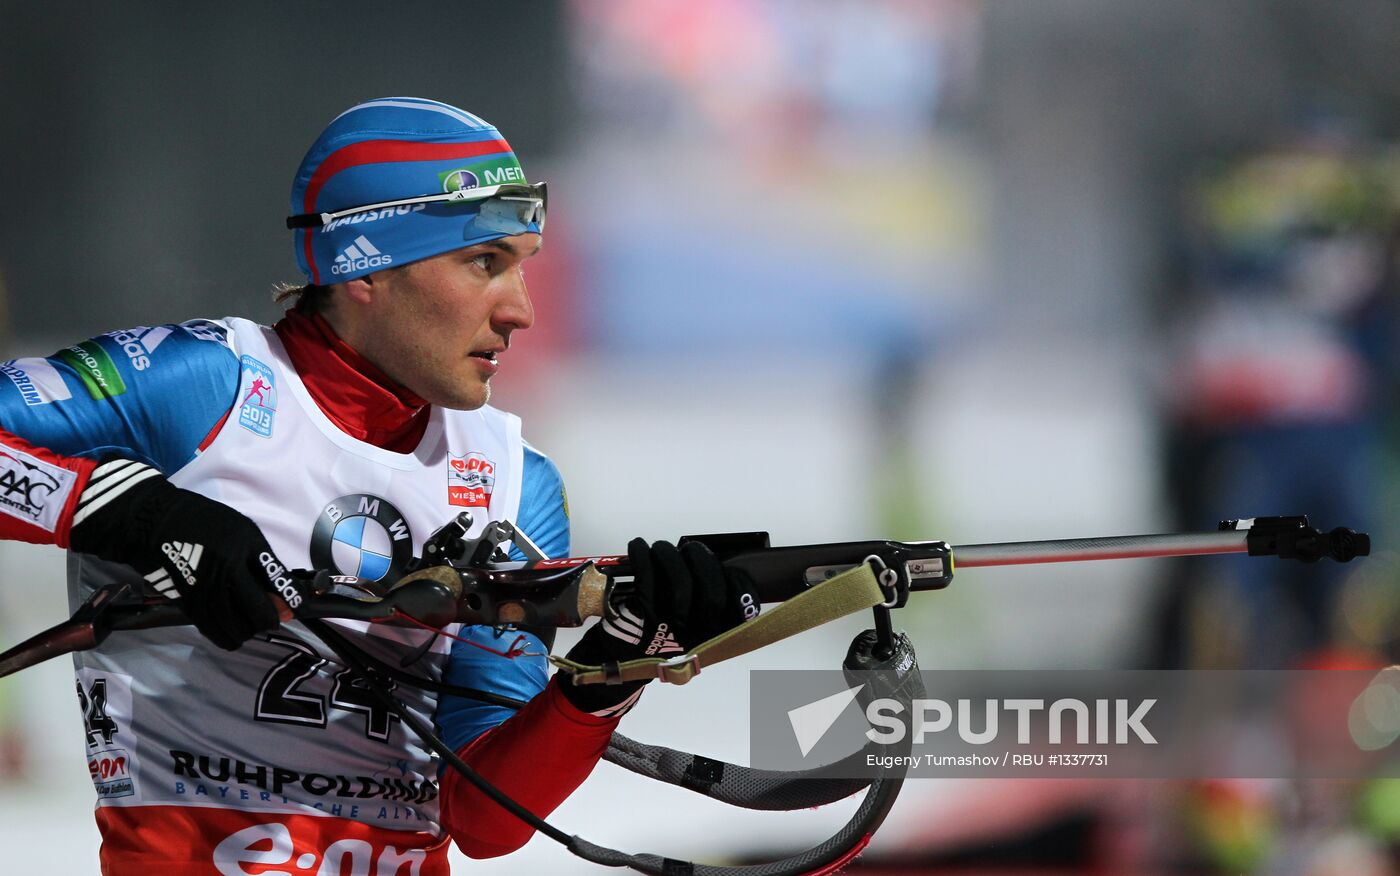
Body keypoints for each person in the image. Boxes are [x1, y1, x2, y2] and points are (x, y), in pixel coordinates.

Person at [0, 97, 756, 874]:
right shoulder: (205, 384)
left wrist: (612, 668)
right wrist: (123, 508)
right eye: (484, 263)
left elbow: (487, 822)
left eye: (522, 266)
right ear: (365, 264)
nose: (522, 309)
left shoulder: (513, 479)